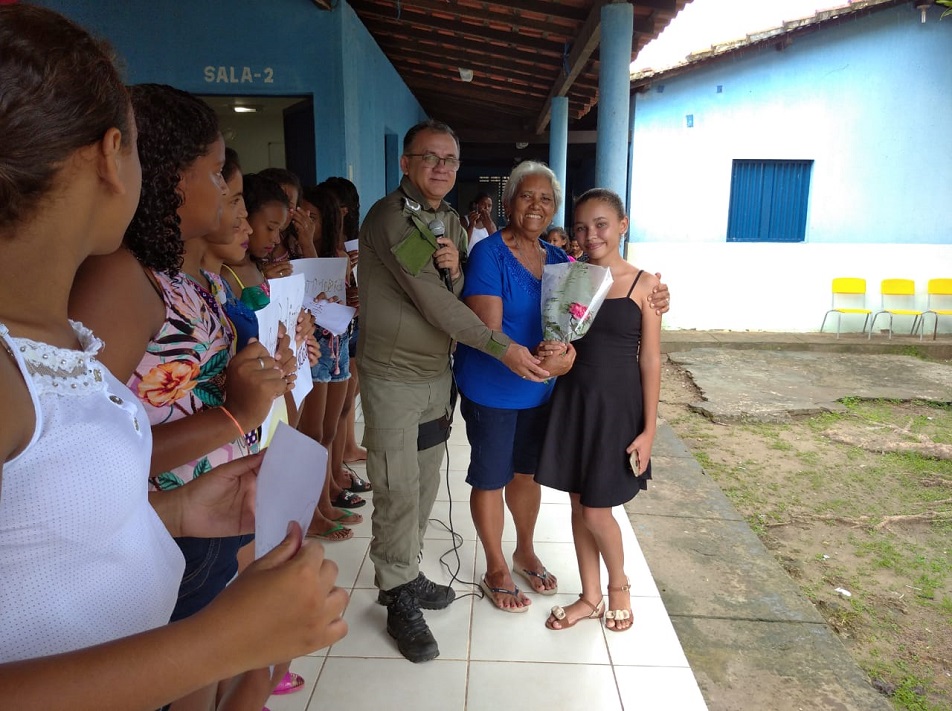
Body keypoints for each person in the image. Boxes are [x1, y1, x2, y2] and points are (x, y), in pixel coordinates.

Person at [0, 5, 346, 708]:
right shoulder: (91, 306)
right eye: (220, 172)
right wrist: (222, 639)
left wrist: (176, 511)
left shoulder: (51, 337)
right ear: (109, 155)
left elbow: (41, 543)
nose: (228, 193)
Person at [357, 119, 550, 663]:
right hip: (394, 377)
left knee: (420, 483)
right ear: (406, 163)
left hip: (434, 376)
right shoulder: (391, 218)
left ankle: (406, 573)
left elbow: (456, 290)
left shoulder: (447, 221)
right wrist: (502, 347)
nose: (441, 168)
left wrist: (458, 270)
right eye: (430, 158)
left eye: (450, 160)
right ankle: (397, 596)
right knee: (396, 487)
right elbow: (435, 305)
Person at [535, 188, 661, 632]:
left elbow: (650, 359)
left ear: (623, 225)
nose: (591, 235)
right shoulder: (570, 279)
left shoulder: (646, 284)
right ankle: (589, 596)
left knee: (596, 510)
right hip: (574, 401)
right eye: (582, 228)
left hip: (617, 409)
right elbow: (555, 340)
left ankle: (619, 586)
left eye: (602, 224)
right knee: (576, 504)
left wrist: (649, 430)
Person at [453, 161, 575, 612]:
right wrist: (524, 357)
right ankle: (496, 566)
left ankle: (524, 549)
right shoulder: (490, 254)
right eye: (527, 195)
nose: (536, 205)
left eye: (546, 199)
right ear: (508, 203)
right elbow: (488, 329)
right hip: (493, 386)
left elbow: (571, 326)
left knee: (526, 473)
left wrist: (566, 358)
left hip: (540, 389)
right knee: (491, 477)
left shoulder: (561, 260)